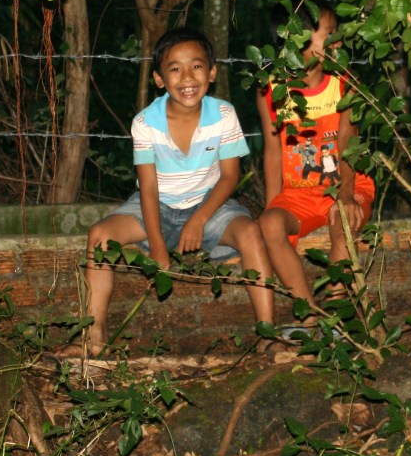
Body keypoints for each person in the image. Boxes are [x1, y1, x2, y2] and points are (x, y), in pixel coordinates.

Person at [83, 28, 275, 353]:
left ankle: (267, 335)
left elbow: (229, 177)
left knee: (251, 233)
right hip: (156, 205)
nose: (187, 77)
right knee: (99, 236)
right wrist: (157, 245)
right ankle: (95, 339)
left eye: (197, 66)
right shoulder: (145, 123)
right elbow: (147, 189)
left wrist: (199, 219)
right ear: (159, 79)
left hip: (210, 205)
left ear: (212, 72)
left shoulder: (224, 115)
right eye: (175, 69)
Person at [258, 0, 375, 326]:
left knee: (343, 220)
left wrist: (347, 193)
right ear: (296, 40)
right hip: (298, 193)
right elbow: (272, 151)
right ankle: (309, 316)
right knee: (269, 225)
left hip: (346, 183)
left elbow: (347, 142)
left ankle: (336, 316)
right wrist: (272, 205)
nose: (338, 43)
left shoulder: (341, 83)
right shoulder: (271, 90)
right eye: (330, 34)